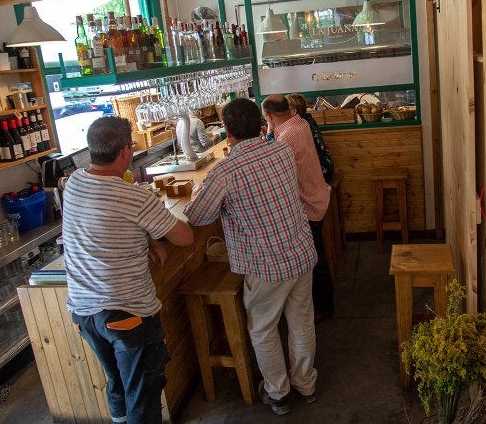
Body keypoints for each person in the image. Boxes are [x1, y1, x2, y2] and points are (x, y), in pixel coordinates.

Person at [184, 98, 318, 416]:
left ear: (227, 132)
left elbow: (197, 216)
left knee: (263, 329)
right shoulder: (281, 150)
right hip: (300, 252)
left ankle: (279, 393)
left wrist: (197, 191)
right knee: (301, 322)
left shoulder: (225, 172)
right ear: (261, 124)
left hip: (266, 264)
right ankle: (306, 384)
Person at [63, 116, 195, 424]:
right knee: (143, 395)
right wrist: (152, 234)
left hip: (85, 315)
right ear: (125, 151)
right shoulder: (136, 197)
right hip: (127, 314)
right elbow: (185, 238)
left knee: (117, 385)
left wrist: (146, 237)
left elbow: (103, 222)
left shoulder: (74, 183)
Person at [262, 94, 335, 322]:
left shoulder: (286, 138)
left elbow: (273, 172)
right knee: (317, 255)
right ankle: (323, 304)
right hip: (319, 195)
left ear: (268, 115)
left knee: (315, 259)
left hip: (308, 205)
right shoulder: (299, 123)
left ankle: (324, 307)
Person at [287, 93, 334, 184]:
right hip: (327, 165)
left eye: (286, 108)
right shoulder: (308, 119)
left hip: (321, 172)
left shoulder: (300, 125)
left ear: (294, 111)